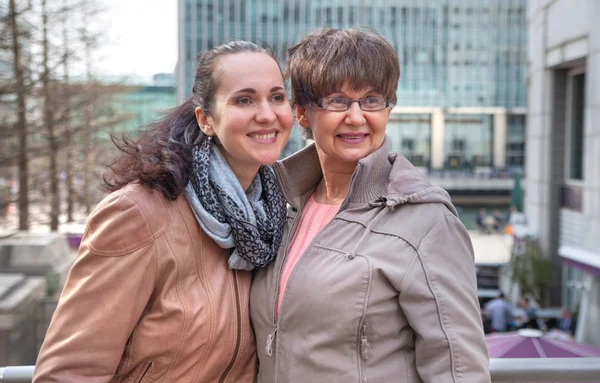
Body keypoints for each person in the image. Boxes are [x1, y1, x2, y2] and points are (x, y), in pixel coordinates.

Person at [32, 41, 293, 383]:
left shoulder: (277, 217)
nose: (267, 114)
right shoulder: (140, 212)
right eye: (244, 99)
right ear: (206, 120)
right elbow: (69, 371)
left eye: (277, 97)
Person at [250, 28, 490, 383]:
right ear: (301, 112)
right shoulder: (276, 208)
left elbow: (459, 370)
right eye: (337, 100)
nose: (357, 117)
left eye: (373, 100)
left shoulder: (425, 220)